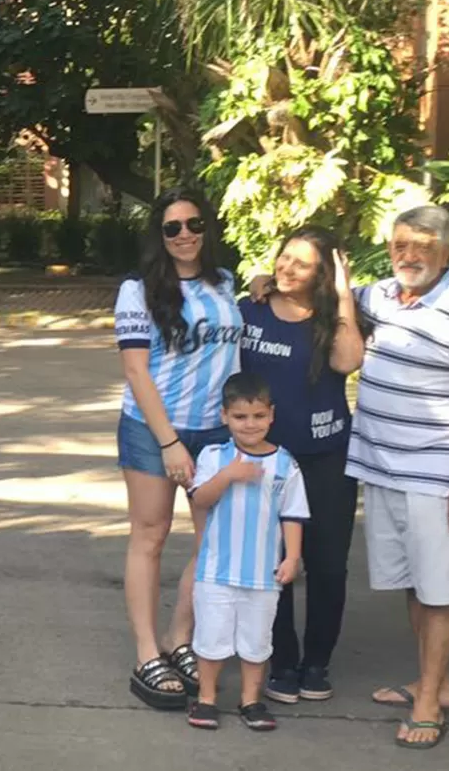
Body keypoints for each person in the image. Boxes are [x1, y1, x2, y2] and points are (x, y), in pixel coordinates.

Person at [347, 206, 449, 749]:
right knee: (414, 583)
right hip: (382, 469)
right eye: (401, 245)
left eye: (424, 246)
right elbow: (327, 291)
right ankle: (439, 684)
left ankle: (429, 703)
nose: (410, 256)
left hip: (436, 476)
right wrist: (269, 280)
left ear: (446, 252)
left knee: (439, 593)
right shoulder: (379, 296)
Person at [114, 188, 243, 710]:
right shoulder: (138, 291)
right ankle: (147, 652)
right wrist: (168, 441)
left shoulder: (227, 283)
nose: (185, 235)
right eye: (173, 228)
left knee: (212, 540)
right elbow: (135, 370)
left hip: (215, 432)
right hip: (152, 428)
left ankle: (179, 636)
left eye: (194, 224)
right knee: (151, 535)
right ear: (159, 236)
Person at [238, 228, 365, 704]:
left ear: (322, 275)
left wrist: (343, 298)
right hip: (267, 462)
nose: (288, 268)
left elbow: (349, 360)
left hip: (327, 457)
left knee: (328, 566)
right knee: (273, 565)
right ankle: (282, 661)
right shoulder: (249, 310)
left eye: (303, 263)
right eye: (284, 257)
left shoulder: (332, 320)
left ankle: (317, 663)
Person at [185, 372, 308, 732]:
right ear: (224, 416)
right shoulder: (213, 456)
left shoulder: (285, 463)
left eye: (258, 416)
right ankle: (206, 698)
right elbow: (200, 499)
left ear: (271, 415)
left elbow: (293, 514)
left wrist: (292, 557)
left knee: (257, 641)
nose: (250, 424)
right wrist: (229, 475)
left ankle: (251, 700)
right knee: (211, 638)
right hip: (215, 572)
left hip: (262, 574)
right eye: (240, 416)